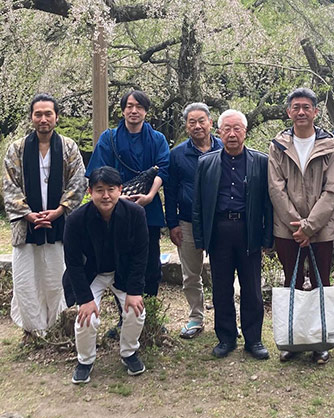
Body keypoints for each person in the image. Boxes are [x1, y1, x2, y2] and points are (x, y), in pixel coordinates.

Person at [268, 87, 334, 365]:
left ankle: (321, 341)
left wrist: (310, 226)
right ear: (288, 112)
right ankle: (294, 341)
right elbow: (276, 189)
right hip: (286, 229)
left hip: (322, 229)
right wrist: (296, 225)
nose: (301, 112)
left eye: (306, 107)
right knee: (293, 283)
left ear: (315, 111)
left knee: (322, 283)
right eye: (296, 107)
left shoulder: (330, 144)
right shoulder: (277, 145)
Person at [2, 93, 86, 339]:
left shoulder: (69, 146)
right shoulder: (16, 148)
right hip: (27, 227)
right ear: (31, 117)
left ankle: (60, 324)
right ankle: (34, 329)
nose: (43, 119)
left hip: (60, 225)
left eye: (48, 113)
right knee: (27, 278)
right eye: (38, 114)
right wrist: (28, 214)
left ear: (56, 117)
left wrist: (60, 210)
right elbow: (9, 185)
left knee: (57, 274)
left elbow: (78, 181)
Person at [193, 109, 273, 360]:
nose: (232, 134)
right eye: (227, 129)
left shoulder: (261, 161)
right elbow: (198, 205)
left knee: (252, 288)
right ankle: (226, 337)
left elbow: (269, 205)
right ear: (218, 132)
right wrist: (200, 238)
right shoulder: (206, 163)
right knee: (221, 288)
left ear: (245, 132)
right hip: (219, 232)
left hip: (248, 231)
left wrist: (268, 238)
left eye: (237, 128)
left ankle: (254, 339)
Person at [64, 166, 148, 383]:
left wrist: (135, 291)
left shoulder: (136, 214)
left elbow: (141, 255)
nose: (106, 195)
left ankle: (129, 352)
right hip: (91, 273)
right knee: (87, 317)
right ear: (89, 192)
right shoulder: (75, 220)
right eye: (99, 190)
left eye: (111, 189)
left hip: (123, 272)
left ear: (120, 189)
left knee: (136, 311)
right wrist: (84, 299)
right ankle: (85, 360)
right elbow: (72, 263)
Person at [86, 89, 170, 298]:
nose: (134, 111)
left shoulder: (157, 139)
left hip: (148, 209)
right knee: (121, 266)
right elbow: (98, 173)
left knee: (151, 264)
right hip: (115, 211)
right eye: (129, 106)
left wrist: (150, 196)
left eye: (139, 107)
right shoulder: (109, 138)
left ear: (146, 112)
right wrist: (117, 199)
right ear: (123, 110)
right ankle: (125, 318)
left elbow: (164, 167)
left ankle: (148, 316)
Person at [166, 102, 223, 339]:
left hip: (220, 221)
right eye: (192, 122)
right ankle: (196, 317)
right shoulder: (177, 154)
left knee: (224, 272)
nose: (198, 126)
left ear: (211, 122)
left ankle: (226, 317)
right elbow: (169, 192)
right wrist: (173, 224)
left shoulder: (225, 148)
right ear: (187, 126)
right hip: (187, 221)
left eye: (202, 121)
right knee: (191, 274)